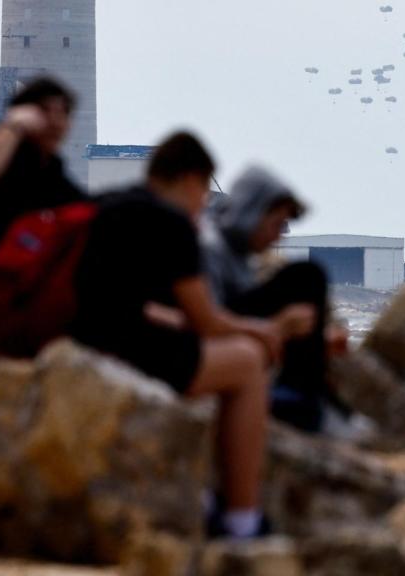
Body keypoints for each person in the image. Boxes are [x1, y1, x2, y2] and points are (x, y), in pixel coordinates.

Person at [70, 132, 316, 539]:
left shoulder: (108, 204)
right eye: (204, 190)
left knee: (208, 355)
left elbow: (127, 299)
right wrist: (266, 330)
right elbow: (208, 321)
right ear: (190, 180)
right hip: (129, 350)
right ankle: (242, 518)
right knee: (246, 361)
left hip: (85, 340)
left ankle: (201, 491)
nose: (205, 202)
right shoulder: (173, 224)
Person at [202, 167, 339, 433]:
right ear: (251, 214)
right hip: (214, 342)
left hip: (232, 330)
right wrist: (276, 327)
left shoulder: (236, 254)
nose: (278, 236)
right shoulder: (209, 248)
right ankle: (299, 398)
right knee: (306, 277)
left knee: (305, 279)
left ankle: (306, 394)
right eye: (276, 224)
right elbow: (207, 321)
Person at [0, 77, 85, 261]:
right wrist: (14, 125)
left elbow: (84, 209)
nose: (56, 122)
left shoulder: (51, 168)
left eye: (64, 113)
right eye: (45, 111)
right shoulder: (2, 157)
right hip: (5, 272)